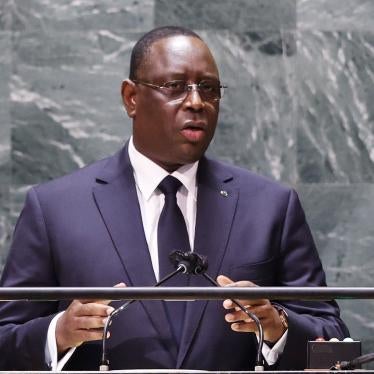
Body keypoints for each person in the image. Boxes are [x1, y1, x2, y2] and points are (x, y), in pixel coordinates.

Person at [0, 26, 349, 371]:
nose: (197, 102)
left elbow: (335, 342)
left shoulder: (271, 206)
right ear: (131, 98)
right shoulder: (56, 208)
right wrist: (58, 333)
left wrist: (276, 325)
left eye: (209, 89)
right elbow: (5, 338)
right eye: (175, 87)